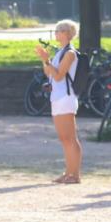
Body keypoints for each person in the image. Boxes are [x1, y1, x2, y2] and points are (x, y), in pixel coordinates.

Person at [34, 20, 83, 184]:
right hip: (57, 97)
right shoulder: (60, 52)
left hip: (65, 98)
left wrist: (47, 61)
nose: (55, 33)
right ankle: (68, 172)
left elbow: (59, 75)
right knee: (64, 138)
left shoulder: (70, 53)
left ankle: (75, 175)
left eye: (59, 31)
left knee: (70, 138)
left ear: (67, 33)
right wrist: (45, 60)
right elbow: (49, 73)